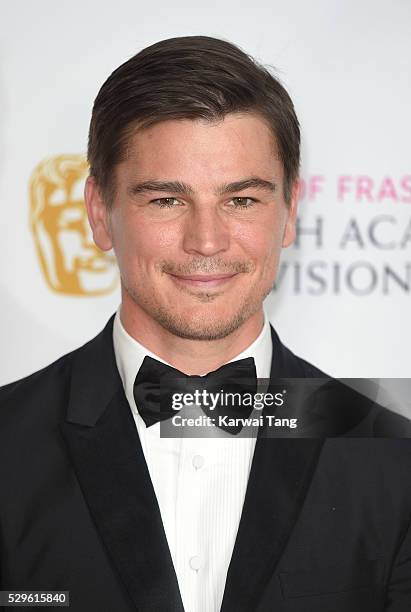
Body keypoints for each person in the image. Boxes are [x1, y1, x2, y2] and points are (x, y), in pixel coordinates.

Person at [0, 35, 410, 612]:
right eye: (166, 200)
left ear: (289, 212)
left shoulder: (390, 459)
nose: (206, 241)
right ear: (99, 213)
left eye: (242, 200)